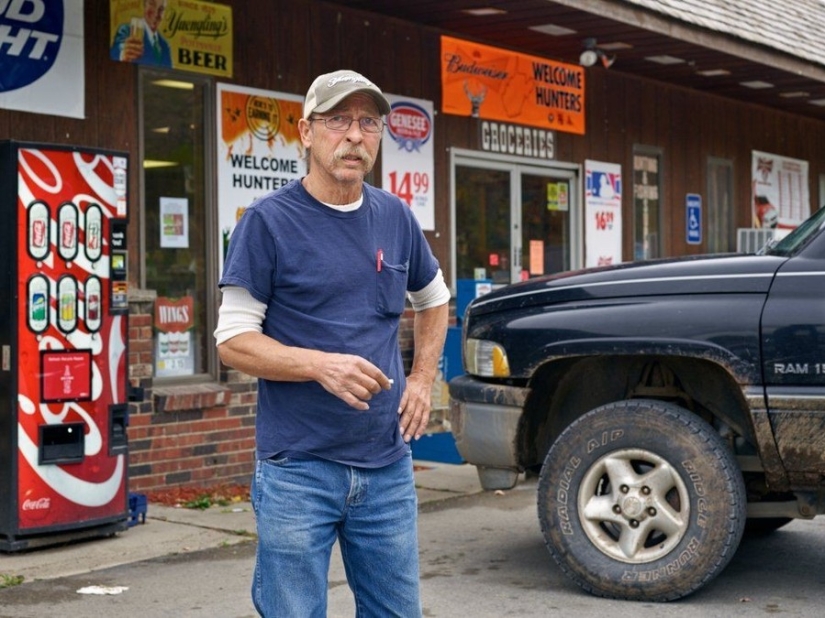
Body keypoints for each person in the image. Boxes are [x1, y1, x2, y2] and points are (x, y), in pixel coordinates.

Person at [214, 69, 450, 617]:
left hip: (387, 467)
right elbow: (233, 341)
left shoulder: (394, 216)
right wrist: (320, 366)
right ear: (306, 131)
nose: (354, 135)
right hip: (298, 468)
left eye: (369, 122)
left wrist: (421, 378)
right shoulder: (268, 223)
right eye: (338, 120)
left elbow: (433, 299)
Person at [110, 0, 172, 67]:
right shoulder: (126, 31)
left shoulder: (165, 46)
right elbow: (115, 52)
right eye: (152, 4)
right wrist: (123, 55)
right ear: (145, 4)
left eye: (161, 9)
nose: (156, 13)